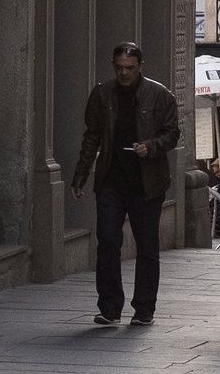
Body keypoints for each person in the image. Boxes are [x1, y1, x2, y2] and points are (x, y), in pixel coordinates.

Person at [70, 41, 180, 327]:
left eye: (130, 68)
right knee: (107, 241)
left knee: (146, 246)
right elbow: (91, 136)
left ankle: (144, 308)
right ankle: (109, 307)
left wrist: (151, 147)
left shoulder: (159, 95)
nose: (124, 74)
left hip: (147, 183)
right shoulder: (102, 94)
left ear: (140, 67)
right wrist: (80, 175)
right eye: (119, 68)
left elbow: (172, 134)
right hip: (111, 179)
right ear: (113, 66)